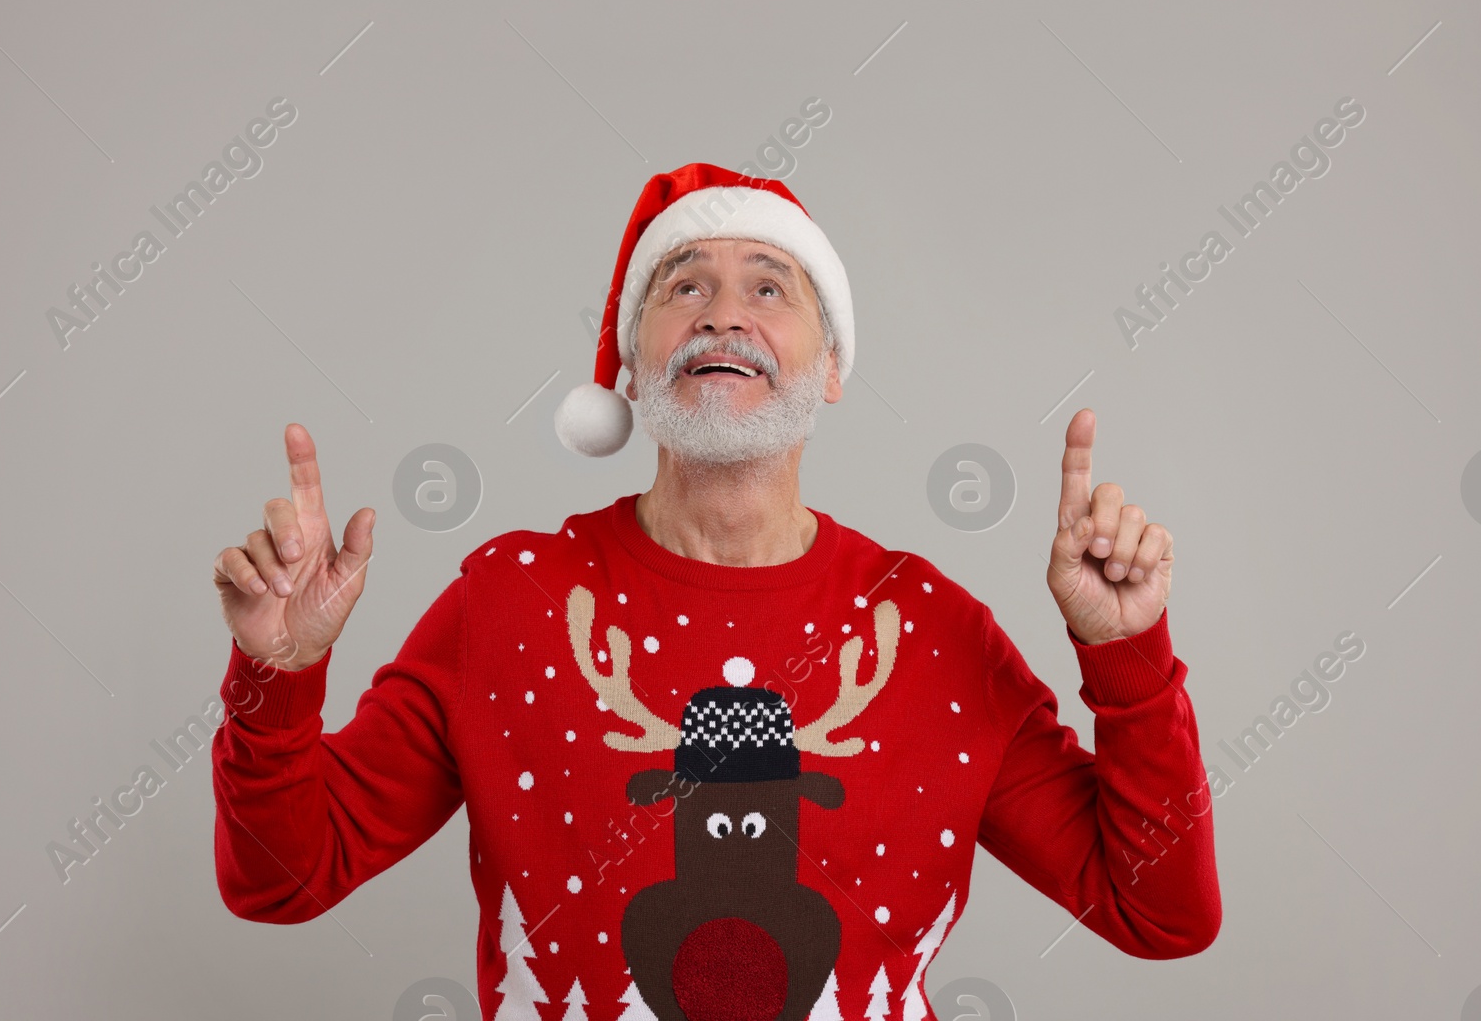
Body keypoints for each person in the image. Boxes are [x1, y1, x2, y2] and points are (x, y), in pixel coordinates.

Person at [210, 162, 1220, 1021]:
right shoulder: (506, 604)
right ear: (630, 362)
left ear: (830, 368)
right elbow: (282, 880)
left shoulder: (929, 628)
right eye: (681, 286)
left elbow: (1160, 914)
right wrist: (276, 675)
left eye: (770, 288)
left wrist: (1126, 656)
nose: (724, 311)